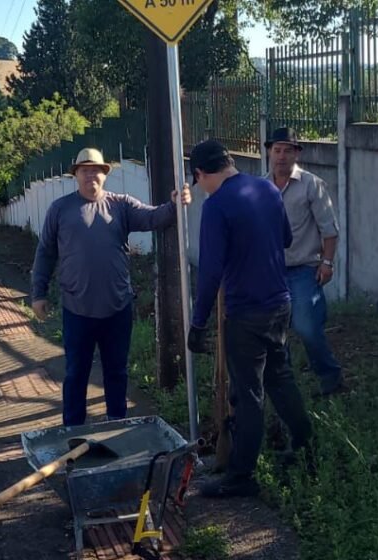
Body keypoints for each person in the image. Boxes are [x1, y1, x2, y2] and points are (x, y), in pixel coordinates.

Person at [187, 139, 312, 498]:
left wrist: (198, 325)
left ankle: (241, 477)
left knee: (249, 393)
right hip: (279, 304)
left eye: (198, 182)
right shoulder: (267, 188)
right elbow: (286, 238)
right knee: (280, 378)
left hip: (246, 314)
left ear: (201, 174)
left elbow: (209, 272)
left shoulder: (216, 206)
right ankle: (305, 445)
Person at [31, 147, 191, 426]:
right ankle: (73, 429)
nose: (90, 174)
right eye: (84, 170)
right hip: (77, 308)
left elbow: (154, 217)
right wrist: (38, 294)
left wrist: (175, 204)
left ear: (105, 174)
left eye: (96, 169)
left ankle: (116, 424)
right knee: (75, 374)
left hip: (117, 307)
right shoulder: (60, 209)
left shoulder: (121, 205)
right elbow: (45, 252)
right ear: (76, 174)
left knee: (116, 371)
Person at [265, 127, 345, 396]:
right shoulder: (262, 187)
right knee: (276, 332)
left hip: (303, 269)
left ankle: (331, 379)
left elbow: (329, 229)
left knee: (307, 327)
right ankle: (285, 385)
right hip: (271, 272)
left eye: (288, 150)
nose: (282, 156)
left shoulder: (312, 185)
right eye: (277, 150)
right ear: (269, 152)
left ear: (297, 153)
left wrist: (328, 262)